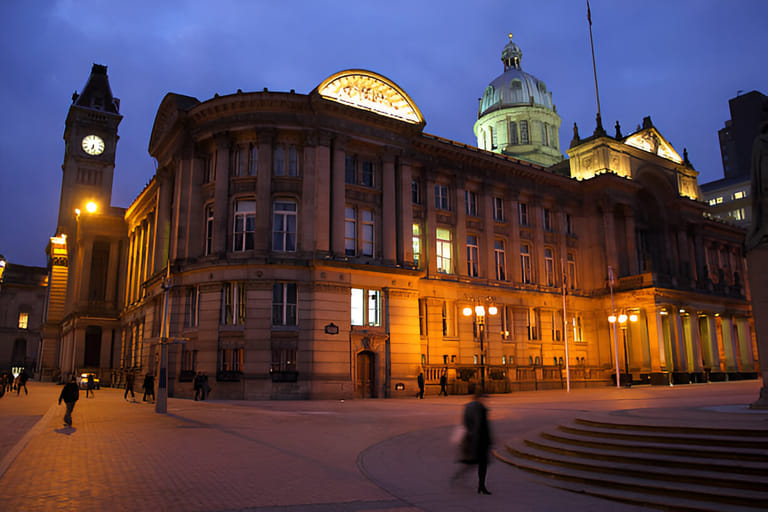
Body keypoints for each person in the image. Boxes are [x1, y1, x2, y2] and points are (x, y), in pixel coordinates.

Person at [454, 386, 493, 495]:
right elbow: (481, 425)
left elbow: (465, 422)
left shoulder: (468, 406)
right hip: (480, 439)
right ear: (480, 396)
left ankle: (480, 485)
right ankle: (481, 486)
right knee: (481, 463)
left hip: (472, 437)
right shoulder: (479, 407)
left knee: (475, 462)